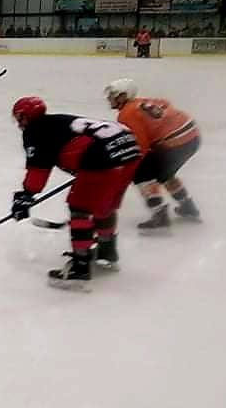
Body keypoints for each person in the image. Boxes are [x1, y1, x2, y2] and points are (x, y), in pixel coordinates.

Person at [10, 97, 141, 289]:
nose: (19, 122)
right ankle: (106, 251)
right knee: (104, 206)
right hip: (130, 149)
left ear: (26, 116)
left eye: (20, 117)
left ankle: (80, 269)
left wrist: (26, 196)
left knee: (80, 208)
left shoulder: (36, 131)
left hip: (102, 157)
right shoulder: (56, 121)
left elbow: (38, 170)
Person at [104, 79, 201, 230]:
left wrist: (127, 164)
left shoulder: (127, 113)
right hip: (192, 138)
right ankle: (188, 206)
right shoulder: (144, 102)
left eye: (113, 95)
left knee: (141, 173)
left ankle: (160, 214)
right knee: (164, 172)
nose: (109, 98)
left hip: (176, 143)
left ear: (124, 96)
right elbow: (166, 105)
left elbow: (140, 147)